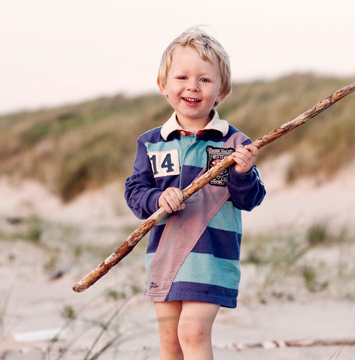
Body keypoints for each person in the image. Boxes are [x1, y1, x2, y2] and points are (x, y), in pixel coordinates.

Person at [124, 26, 266, 360]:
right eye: (182, 77)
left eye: (204, 79)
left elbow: (250, 199)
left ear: (222, 90)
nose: (192, 86)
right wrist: (157, 199)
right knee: (170, 341)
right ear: (163, 85)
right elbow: (135, 193)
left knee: (192, 332)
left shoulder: (233, 142)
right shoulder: (152, 142)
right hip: (164, 257)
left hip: (210, 258)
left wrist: (243, 173)